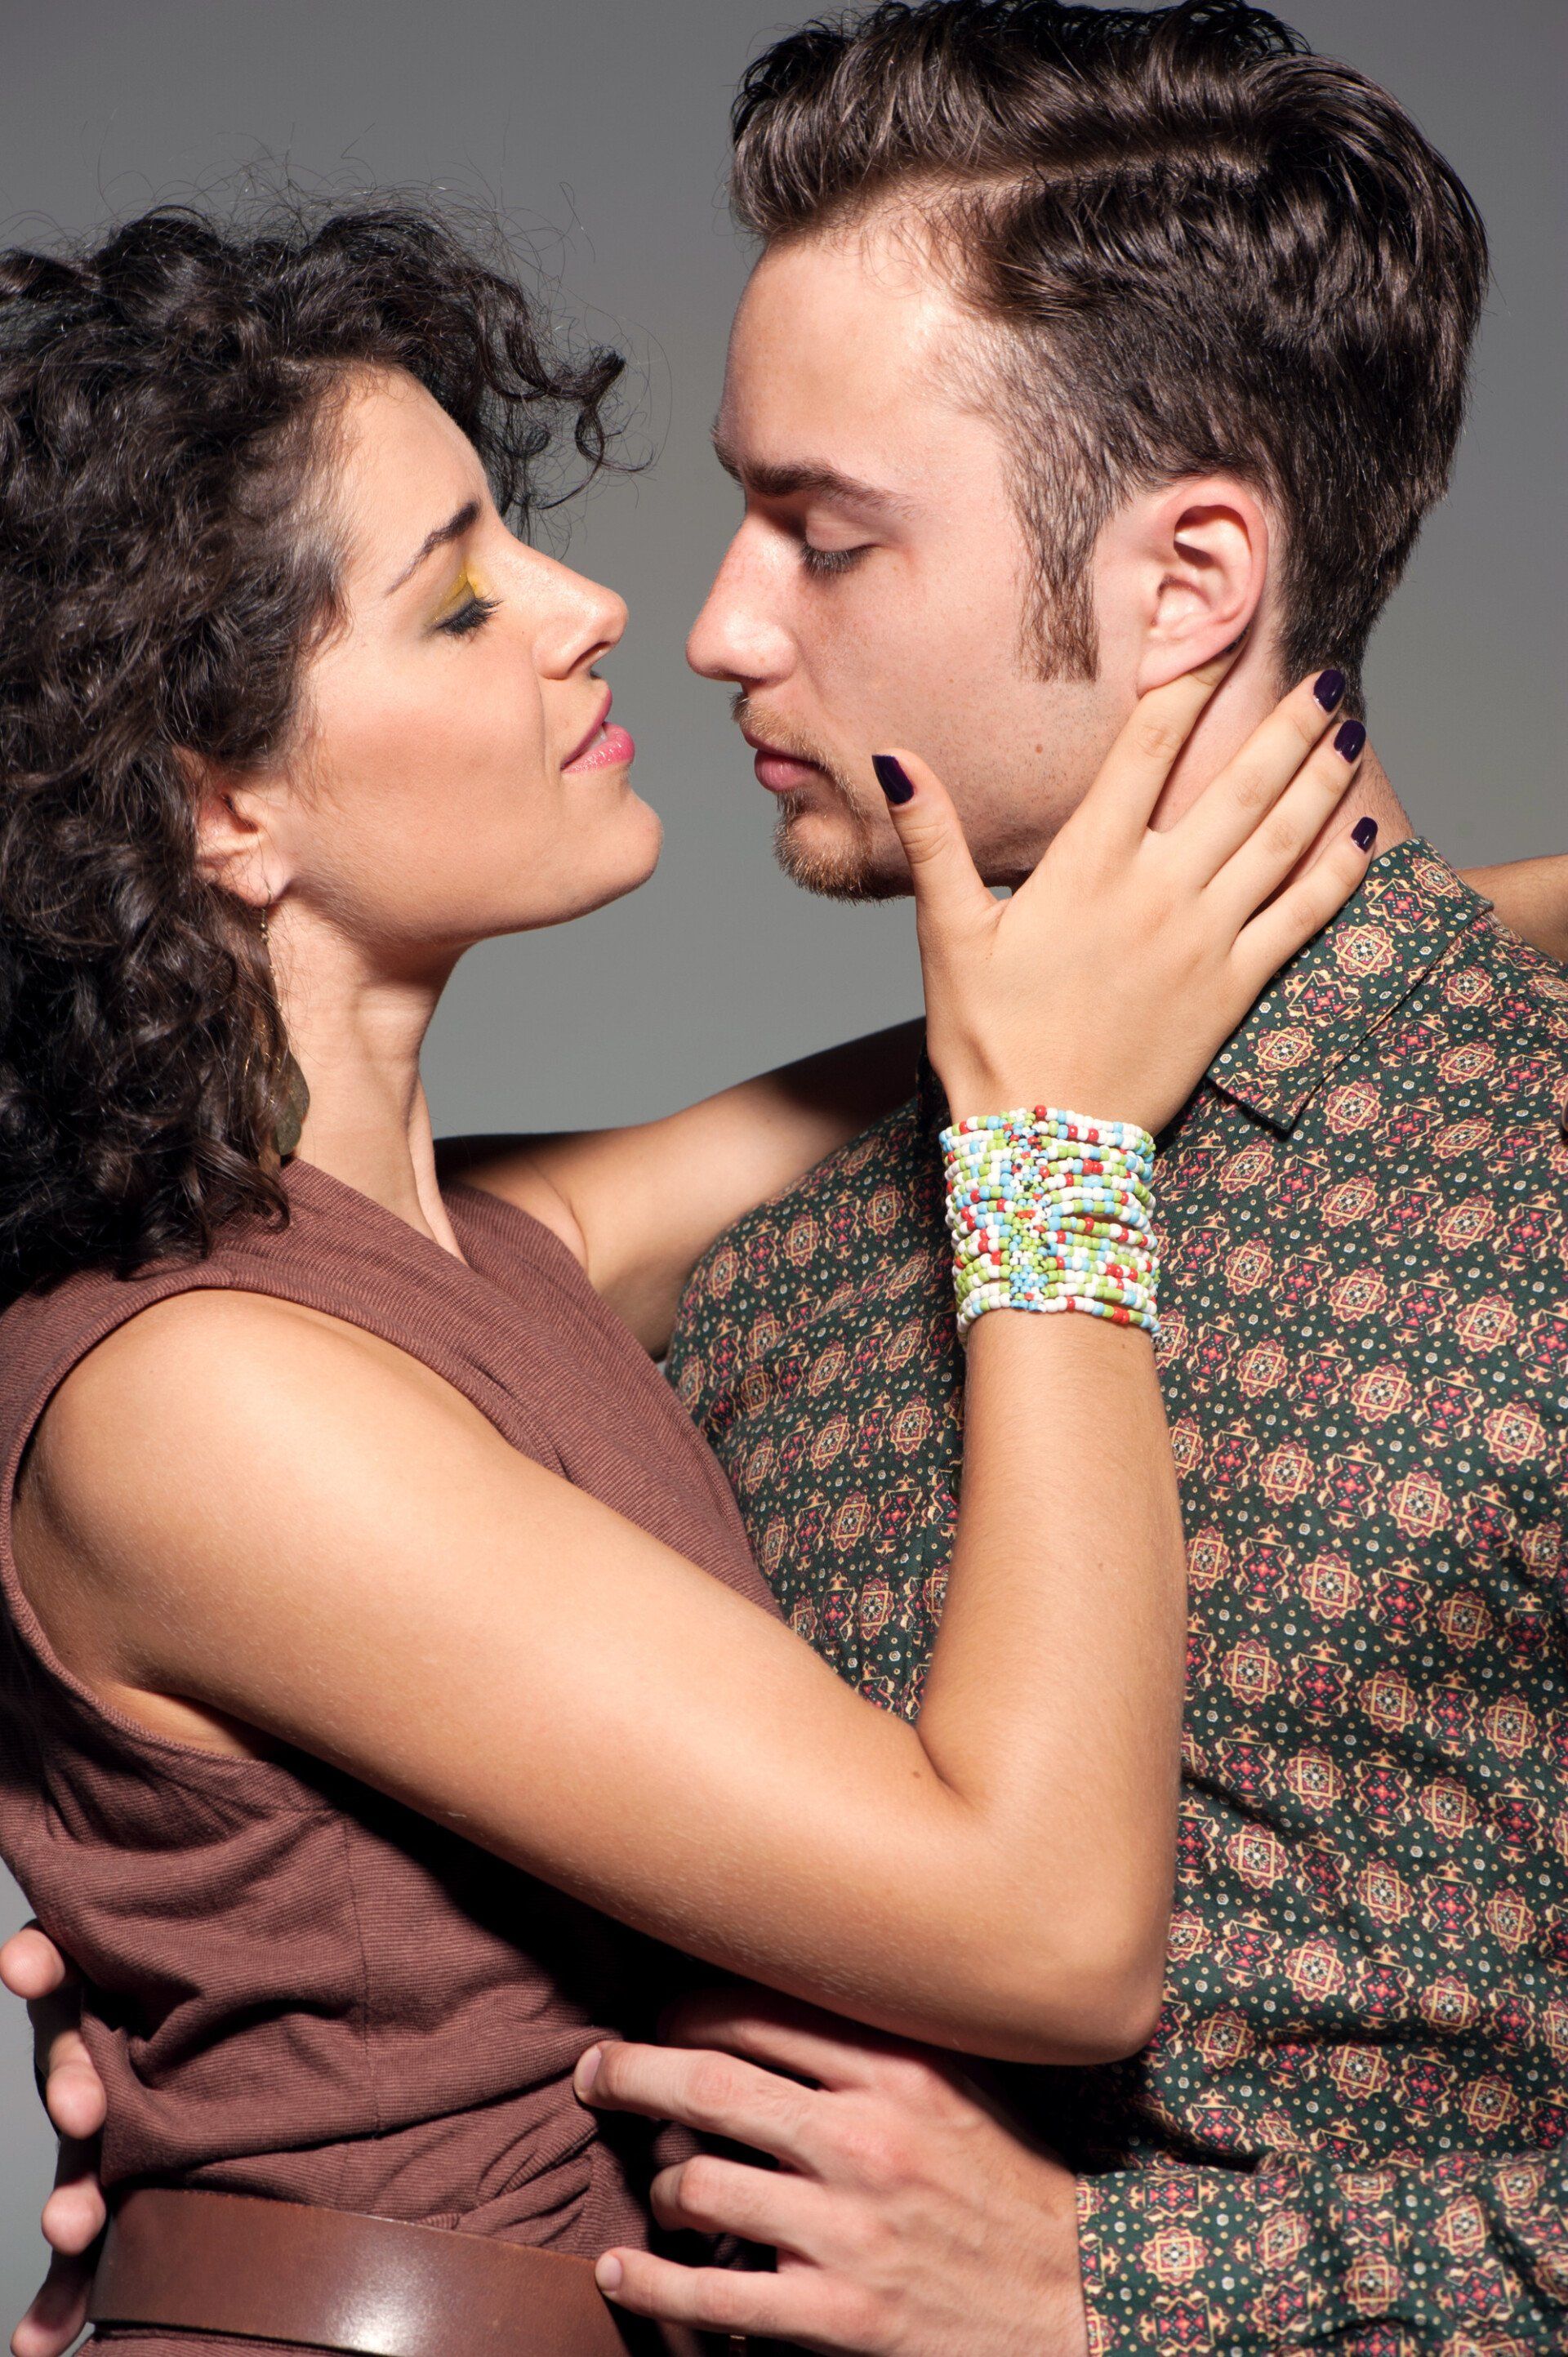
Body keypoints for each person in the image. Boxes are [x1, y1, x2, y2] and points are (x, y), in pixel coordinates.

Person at [11, 5, 1568, 2354]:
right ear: (217, 799)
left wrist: (1141, 2292)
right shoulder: (728, 1283)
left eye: (826, 534)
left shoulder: (568, 1239)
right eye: (462, 589)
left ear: (1188, 580)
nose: (695, 617)